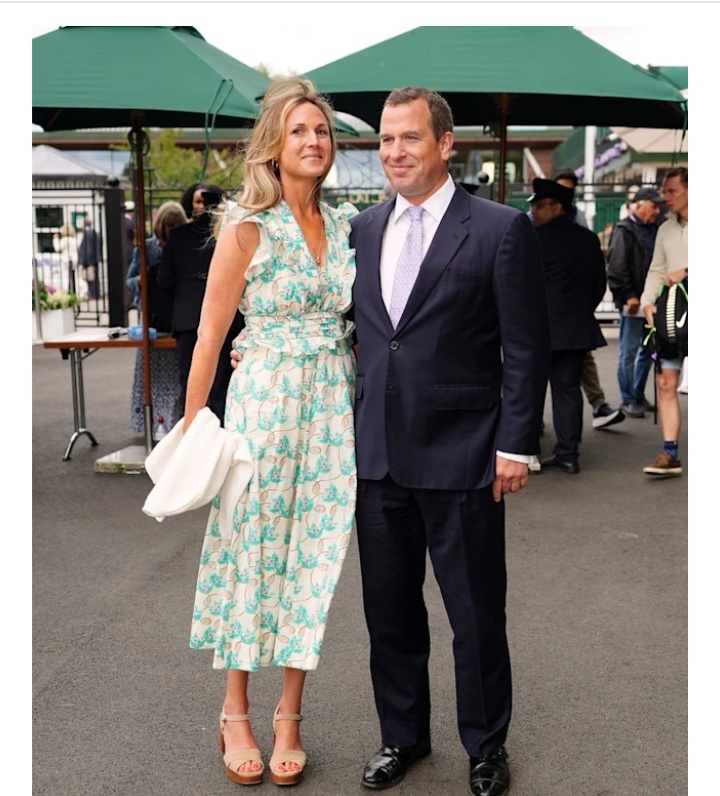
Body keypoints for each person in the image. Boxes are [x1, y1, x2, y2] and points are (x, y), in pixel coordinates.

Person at [350, 87, 550, 796]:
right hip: (376, 457)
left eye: (408, 138)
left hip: (465, 454)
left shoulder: (498, 228)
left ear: (444, 143)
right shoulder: (365, 229)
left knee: (474, 616)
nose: (394, 152)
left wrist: (515, 445)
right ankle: (401, 736)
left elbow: (525, 349)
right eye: (384, 140)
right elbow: (357, 330)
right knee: (390, 614)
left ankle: (486, 746)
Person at [182, 77, 358, 787]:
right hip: (263, 410)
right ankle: (234, 711)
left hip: (331, 413)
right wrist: (194, 425)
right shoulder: (246, 226)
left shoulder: (347, 226)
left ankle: (289, 715)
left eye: (321, 131)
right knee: (251, 555)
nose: (313, 141)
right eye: (298, 132)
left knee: (311, 565)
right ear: (274, 148)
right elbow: (208, 334)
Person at [528, 178, 608, 474]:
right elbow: (599, 285)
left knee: (530, 389)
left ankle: (528, 451)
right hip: (575, 329)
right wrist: (580, 312)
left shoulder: (533, 239)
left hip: (537, 330)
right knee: (568, 391)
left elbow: (523, 287)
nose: (534, 211)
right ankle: (568, 453)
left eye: (539, 205)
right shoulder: (588, 239)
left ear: (557, 207)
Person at [157, 183, 244, 425]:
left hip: (187, 316)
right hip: (227, 316)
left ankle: (194, 436)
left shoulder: (179, 236)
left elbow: (164, 282)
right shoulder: (228, 235)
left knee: (191, 382)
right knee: (222, 383)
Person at [552, 172, 625, 430]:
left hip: (571, 313)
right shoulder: (534, 221)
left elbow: (594, 274)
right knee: (561, 380)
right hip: (554, 316)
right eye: (562, 190)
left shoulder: (577, 220)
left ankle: (597, 406)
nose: (566, 196)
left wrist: (582, 308)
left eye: (570, 191)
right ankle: (595, 408)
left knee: (573, 372)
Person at [640, 167, 688, 476]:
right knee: (665, 382)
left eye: (672, 191)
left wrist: (690, 271)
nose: (665, 197)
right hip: (671, 316)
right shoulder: (665, 229)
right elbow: (657, 268)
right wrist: (647, 302)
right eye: (664, 191)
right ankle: (670, 453)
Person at [125, 200, 187, 434]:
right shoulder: (145, 249)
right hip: (151, 321)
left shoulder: (184, 246)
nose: (170, 229)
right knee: (150, 377)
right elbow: (129, 281)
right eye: (167, 225)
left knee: (175, 380)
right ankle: (153, 424)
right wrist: (143, 280)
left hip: (176, 319)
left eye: (174, 225)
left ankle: (173, 422)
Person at [606, 186, 663, 417]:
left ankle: (638, 394)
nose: (657, 211)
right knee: (628, 351)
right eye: (653, 205)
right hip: (633, 301)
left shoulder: (656, 229)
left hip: (651, 300)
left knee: (648, 349)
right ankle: (628, 398)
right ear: (639, 205)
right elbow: (617, 267)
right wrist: (629, 294)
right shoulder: (624, 230)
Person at [77, 215, 103, 299]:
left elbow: (88, 249)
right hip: (95, 259)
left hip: (89, 260)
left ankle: (93, 294)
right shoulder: (95, 233)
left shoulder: (87, 234)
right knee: (94, 278)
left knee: (90, 279)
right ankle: (95, 294)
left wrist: (84, 261)